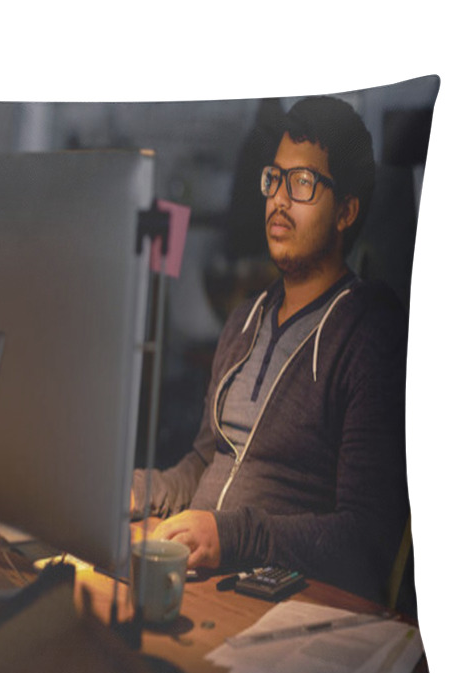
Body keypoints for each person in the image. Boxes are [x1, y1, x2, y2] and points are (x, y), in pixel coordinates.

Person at [131, 96, 410, 604]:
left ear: (346, 210)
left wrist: (230, 537)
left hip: (278, 605)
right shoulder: (245, 319)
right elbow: (205, 458)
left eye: (302, 183)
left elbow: (366, 539)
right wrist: (145, 489)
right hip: (202, 579)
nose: (279, 199)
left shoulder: (369, 332)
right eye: (274, 179)